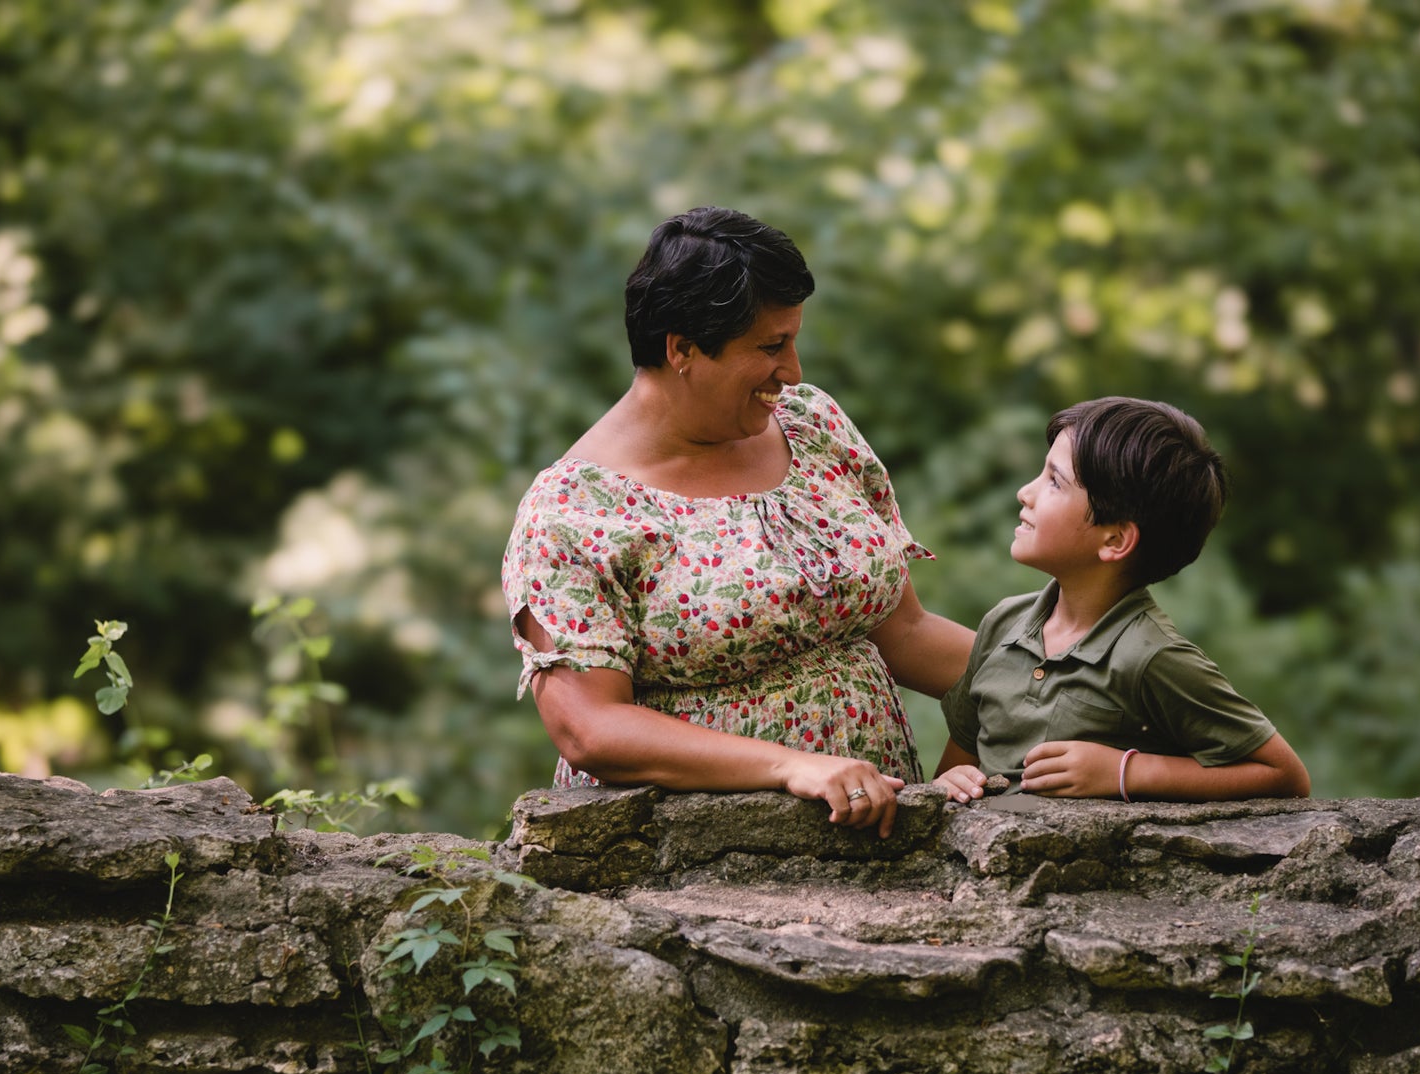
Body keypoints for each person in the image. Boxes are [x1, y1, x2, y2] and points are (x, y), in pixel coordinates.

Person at [502, 207, 973, 837]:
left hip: (871, 831)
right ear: (682, 350)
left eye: (794, 340)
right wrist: (790, 766)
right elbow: (589, 729)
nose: (794, 371)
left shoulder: (812, 425)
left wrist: (1050, 670)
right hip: (687, 858)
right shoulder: (573, 512)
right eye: (771, 347)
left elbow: (904, 632)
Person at [933, 397, 1310, 803]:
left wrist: (1125, 771)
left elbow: (1284, 775)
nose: (1026, 492)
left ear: (1115, 540)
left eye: (1055, 482)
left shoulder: (1153, 657)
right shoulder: (1002, 624)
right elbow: (954, 771)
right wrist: (948, 786)